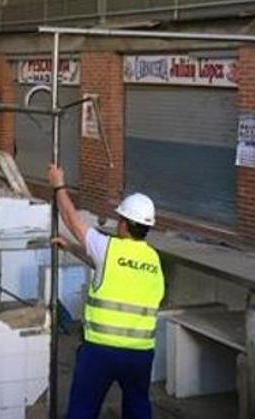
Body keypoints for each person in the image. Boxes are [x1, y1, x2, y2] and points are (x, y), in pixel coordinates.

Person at [49, 163, 165, 419]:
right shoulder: (154, 260)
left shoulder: (108, 247)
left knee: (82, 410)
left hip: (101, 351)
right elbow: (110, 269)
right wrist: (71, 248)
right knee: (138, 409)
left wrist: (58, 184)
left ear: (124, 223)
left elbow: (70, 218)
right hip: (140, 354)